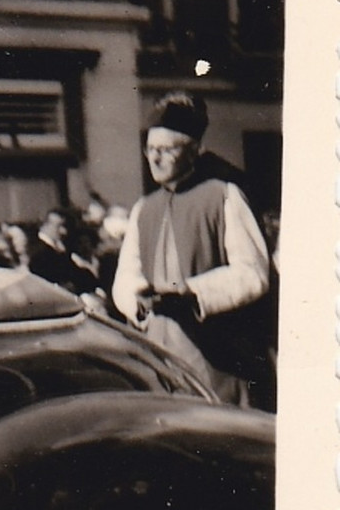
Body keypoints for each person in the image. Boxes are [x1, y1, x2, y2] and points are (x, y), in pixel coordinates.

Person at [111, 93, 272, 405]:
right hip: (160, 356)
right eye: (151, 149)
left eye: (167, 150)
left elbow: (252, 273)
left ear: (194, 150)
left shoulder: (224, 196)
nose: (155, 158)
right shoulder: (144, 208)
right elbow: (126, 276)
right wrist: (137, 301)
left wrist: (193, 293)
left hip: (217, 359)